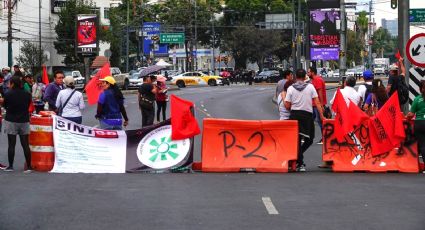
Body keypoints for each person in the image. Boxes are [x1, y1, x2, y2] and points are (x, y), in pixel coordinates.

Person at [284, 69, 325, 172]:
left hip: (295, 115)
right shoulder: (310, 87)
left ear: (296, 77)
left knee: (297, 140)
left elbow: (288, 105)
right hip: (307, 116)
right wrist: (322, 116)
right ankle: (300, 161)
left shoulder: (290, 89)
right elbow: (317, 102)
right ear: (305, 77)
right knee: (310, 139)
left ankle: (298, 158)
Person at [0, 76, 32, 172]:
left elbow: (5, 106)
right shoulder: (27, 94)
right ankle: (29, 166)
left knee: (11, 144)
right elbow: (28, 104)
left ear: (12, 83)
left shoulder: (8, 94)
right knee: (25, 144)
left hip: (11, 120)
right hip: (24, 120)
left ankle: (10, 166)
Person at [406, 80, 425, 173]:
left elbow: (411, 114)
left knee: (423, 145)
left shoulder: (417, 99)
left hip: (420, 123)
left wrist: (407, 117)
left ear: (420, 89)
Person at [308, 66, 327, 144]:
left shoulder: (317, 80)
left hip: (317, 105)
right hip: (314, 105)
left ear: (312, 72)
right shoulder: (314, 80)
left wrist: (321, 105)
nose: (307, 73)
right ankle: (308, 136)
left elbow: (320, 93)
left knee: (320, 121)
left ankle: (325, 138)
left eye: (308, 72)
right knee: (310, 120)